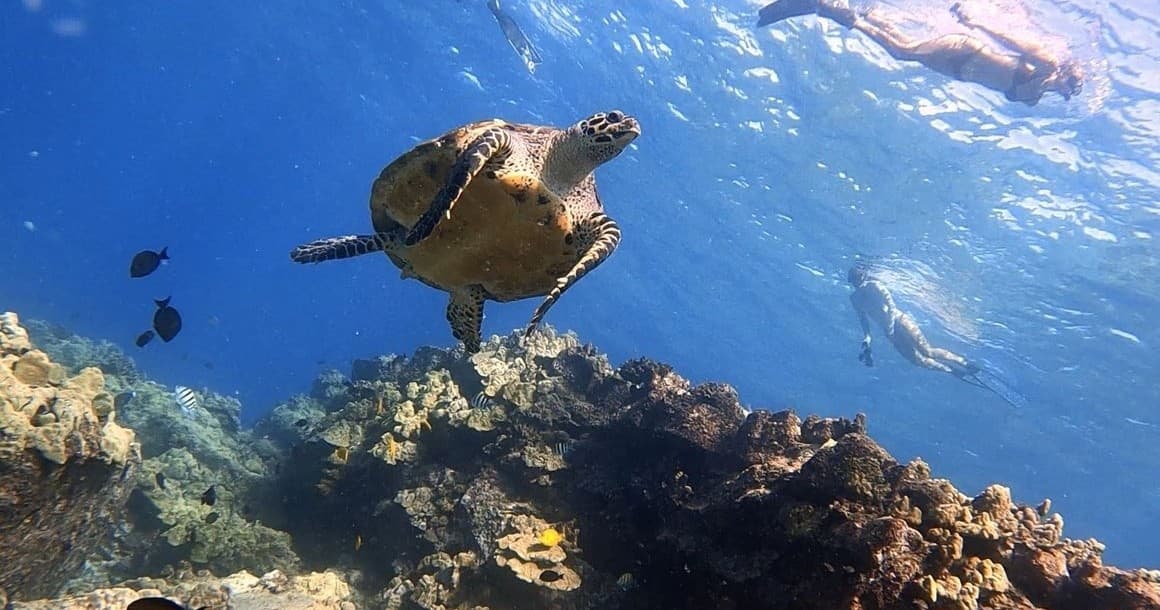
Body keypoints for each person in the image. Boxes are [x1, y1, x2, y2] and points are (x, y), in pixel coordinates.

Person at [756, 0, 1083, 105]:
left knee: (902, 49)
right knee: (901, 51)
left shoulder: (1033, 97)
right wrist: (977, 23)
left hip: (958, 70)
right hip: (968, 50)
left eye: (1070, 92)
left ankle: (843, 10)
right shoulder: (1046, 63)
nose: (1065, 92)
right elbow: (1013, 43)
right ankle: (827, 7)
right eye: (1070, 86)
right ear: (1066, 74)